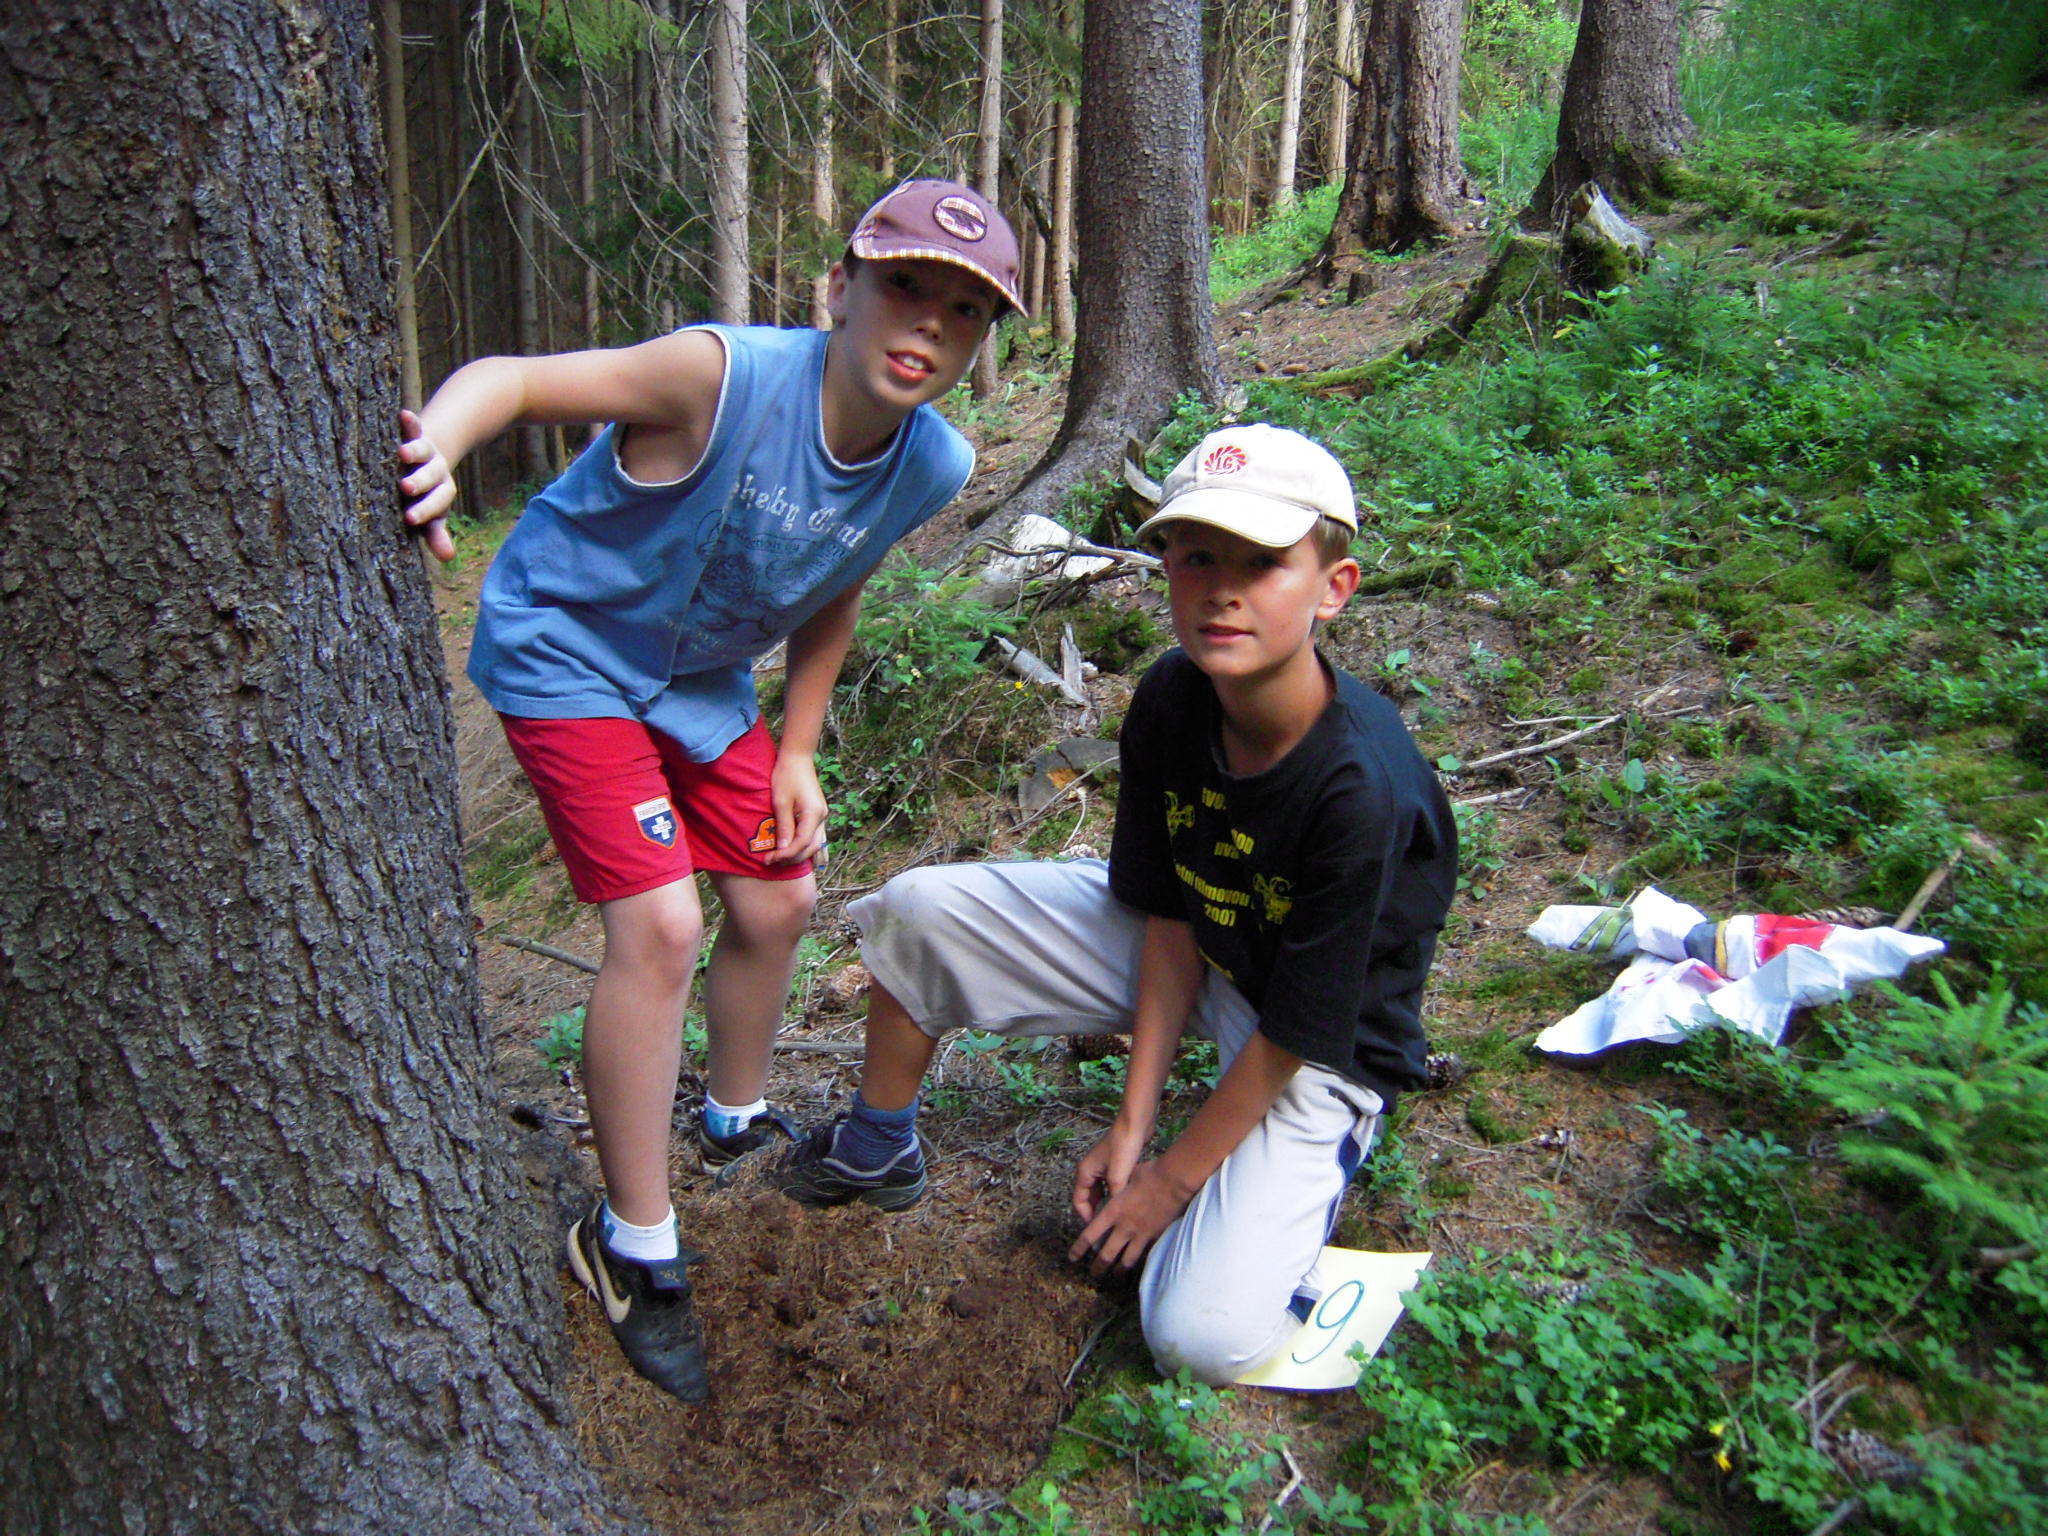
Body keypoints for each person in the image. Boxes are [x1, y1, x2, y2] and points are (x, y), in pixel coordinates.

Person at [396, 179, 1025, 1402]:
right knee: (661, 926)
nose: (929, 324)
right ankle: (631, 1242)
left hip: (700, 683)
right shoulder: (718, 377)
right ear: (837, 288)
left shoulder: (932, 461)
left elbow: (840, 575)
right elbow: (512, 380)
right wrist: (441, 446)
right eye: (903, 285)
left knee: (779, 897)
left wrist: (797, 747)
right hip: (569, 649)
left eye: (965, 311)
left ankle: (732, 1114)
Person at [755, 423, 1458, 1384]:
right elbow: (1169, 913)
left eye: (1263, 563)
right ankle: (876, 1146)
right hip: (1213, 946)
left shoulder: (1358, 785)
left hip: (1321, 1038)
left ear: (1333, 588)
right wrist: (1134, 1124)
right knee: (919, 912)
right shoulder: (1175, 696)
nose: (1222, 589)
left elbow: (1300, 1025)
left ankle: (1301, 1186)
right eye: (1196, 556)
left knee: (1198, 1337)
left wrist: (1171, 1180)